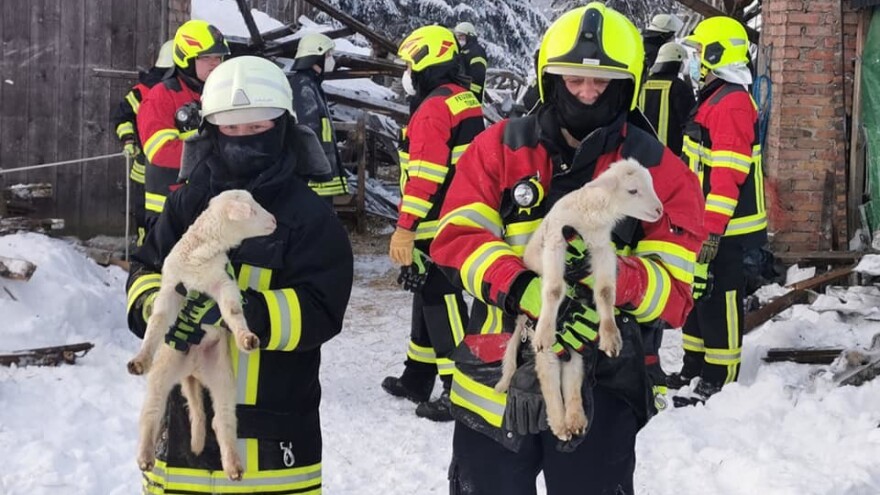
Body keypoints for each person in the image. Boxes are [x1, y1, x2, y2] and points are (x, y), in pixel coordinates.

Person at [429, 4, 706, 493]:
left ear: (627, 86)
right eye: (573, 80)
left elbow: (677, 292)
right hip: (496, 377)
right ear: (549, 79)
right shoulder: (499, 147)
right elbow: (455, 239)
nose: (586, 92)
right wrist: (520, 287)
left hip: (601, 386)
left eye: (601, 84)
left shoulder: (658, 170)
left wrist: (612, 279)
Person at [124, 55, 353, 493]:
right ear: (211, 130)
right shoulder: (187, 205)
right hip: (182, 448)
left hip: (271, 445)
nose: (243, 138)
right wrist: (161, 306)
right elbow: (145, 270)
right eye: (231, 128)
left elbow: (324, 307)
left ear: (283, 127)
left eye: (257, 127)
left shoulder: (309, 217)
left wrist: (244, 313)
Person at [381, 25, 485, 422]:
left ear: (425, 62)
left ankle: (460, 386)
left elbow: (424, 174)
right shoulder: (462, 99)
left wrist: (405, 226)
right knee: (425, 293)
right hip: (457, 213)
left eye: (410, 64)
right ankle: (417, 376)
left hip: (434, 221)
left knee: (440, 297)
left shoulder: (433, 109)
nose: (407, 73)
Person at [670, 16, 767, 407]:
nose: (694, 60)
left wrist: (711, 229)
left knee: (721, 296)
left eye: (697, 53)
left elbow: (727, 176)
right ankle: (695, 365)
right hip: (705, 221)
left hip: (725, 226)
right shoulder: (713, 96)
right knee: (700, 294)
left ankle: (719, 378)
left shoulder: (731, 104)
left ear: (715, 55)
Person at [137, 20, 228, 233]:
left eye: (218, 57)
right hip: (169, 210)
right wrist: (217, 152)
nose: (215, 63)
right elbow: (160, 151)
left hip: (208, 205)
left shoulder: (218, 94)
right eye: (206, 58)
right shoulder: (162, 95)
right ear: (186, 59)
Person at [110, 40, 173, 246]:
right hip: (144, 171)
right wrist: (128, 140)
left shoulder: (190, 91)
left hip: (176, 174)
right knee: (146, 220)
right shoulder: (143, 91)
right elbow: (122, 117)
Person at [289, 32, 349, 202]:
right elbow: (307, 130)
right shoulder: (303, 86)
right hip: (313, 177)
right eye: (328, 55)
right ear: (316, 57)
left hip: (320, 171)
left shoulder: (312, 84)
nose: (332, 60)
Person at [638, 42, 696, 155]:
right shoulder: (679, 87)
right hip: (671, 154)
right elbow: (690, 121)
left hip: (643, 151)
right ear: (677, 62)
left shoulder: (643, 83)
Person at [453, 22, 488, 102]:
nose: (458, 39)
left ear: (469, 36)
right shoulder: (462, 51)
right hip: (461, 95)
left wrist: (468, 90)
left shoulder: (476, 52)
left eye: (461, 36)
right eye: (457, 36)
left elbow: (478, 77)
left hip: (472, 97)